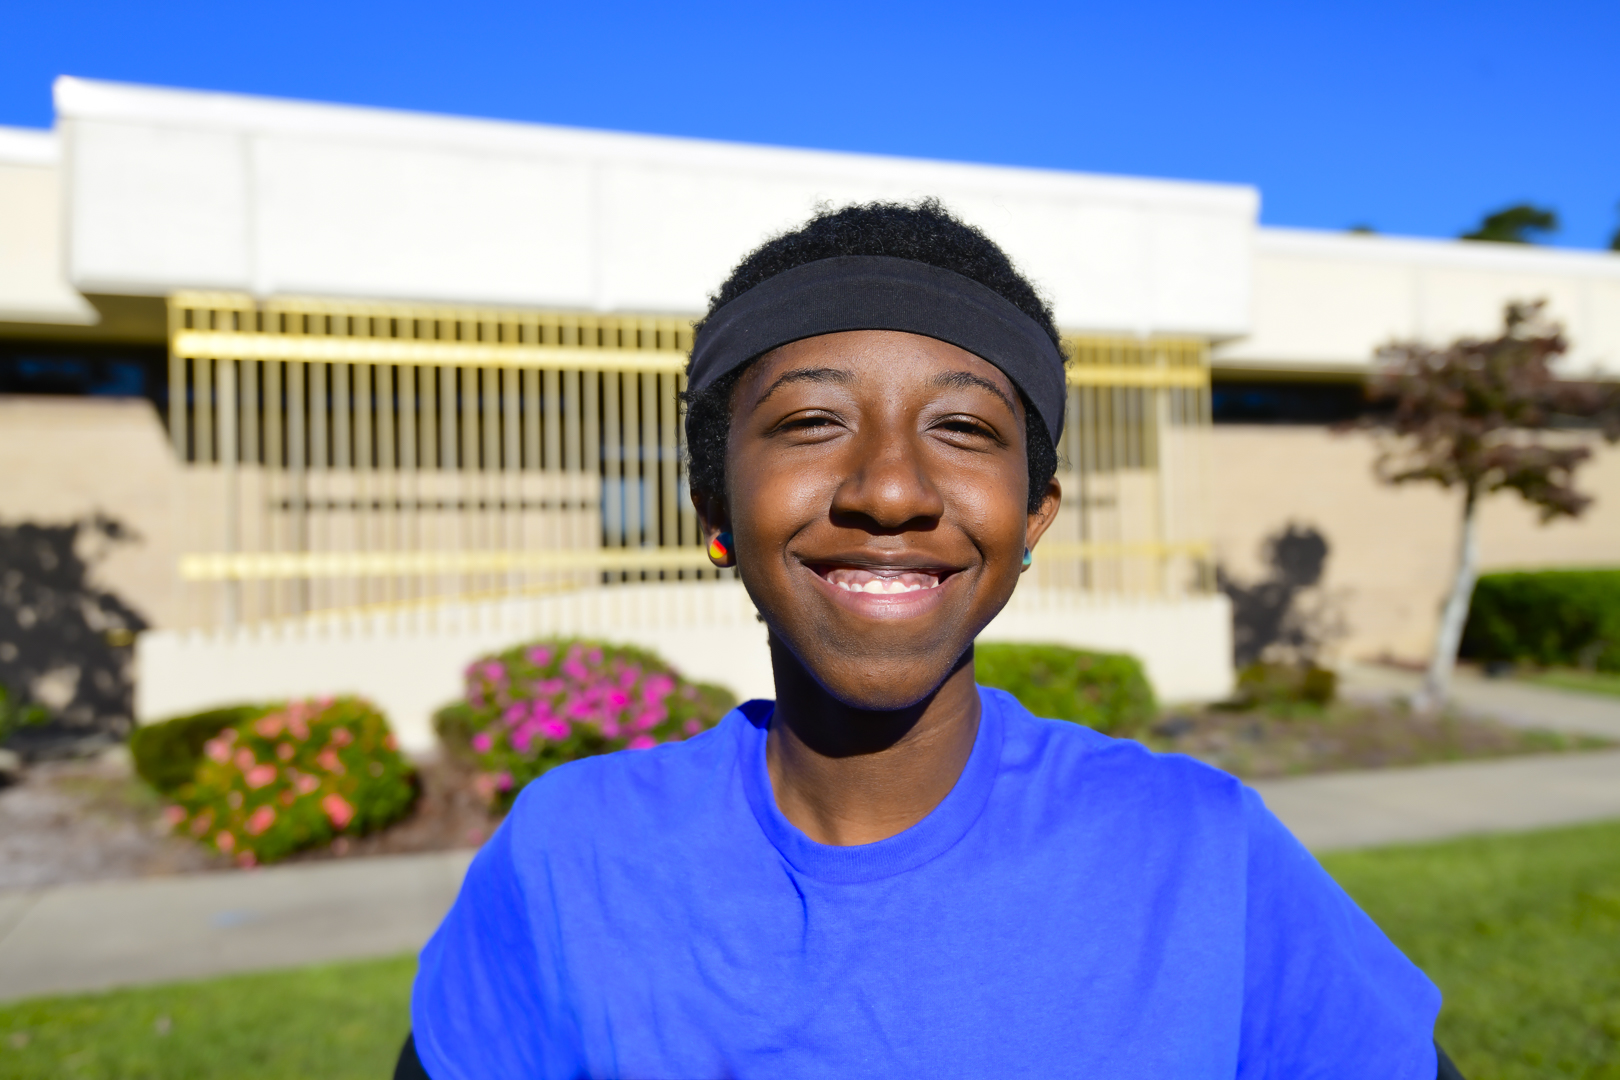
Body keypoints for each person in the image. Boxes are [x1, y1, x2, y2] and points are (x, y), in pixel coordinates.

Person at [401, 200, 1463, 1079]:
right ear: (712, 505)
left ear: (1033, 516)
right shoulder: (568, 860)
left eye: (961, 429)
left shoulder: (1199, 851)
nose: (892, 490)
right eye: (812, 423)